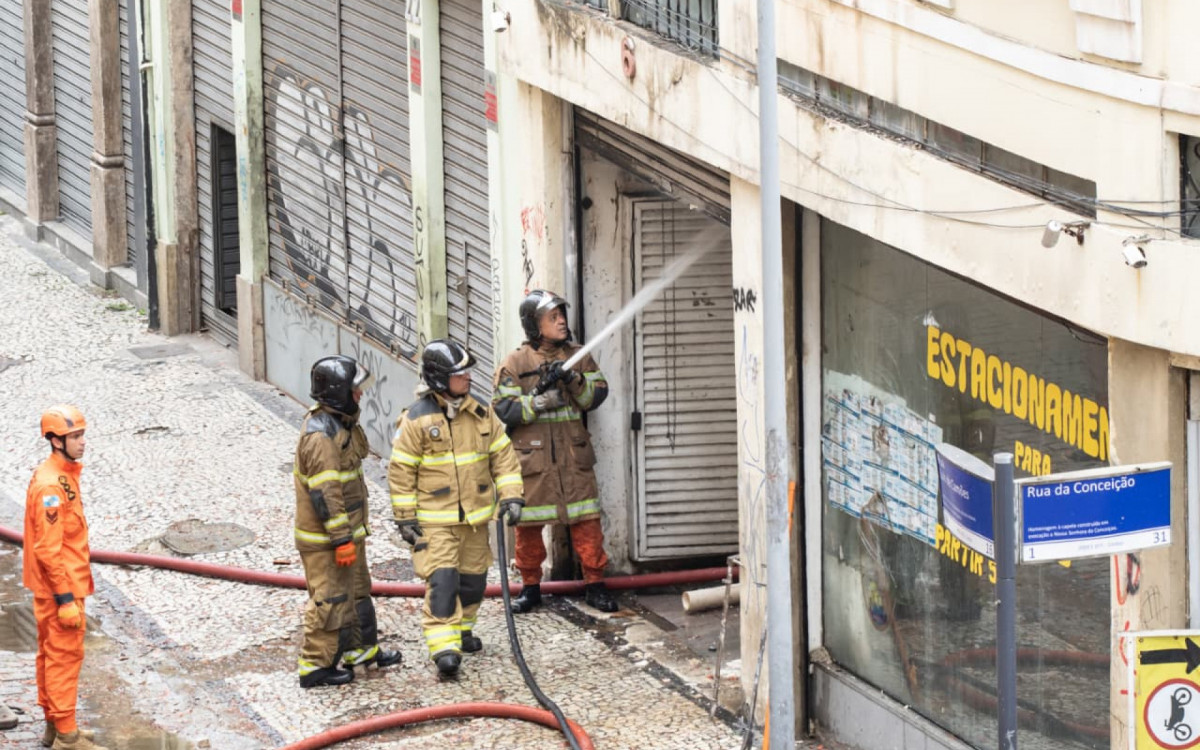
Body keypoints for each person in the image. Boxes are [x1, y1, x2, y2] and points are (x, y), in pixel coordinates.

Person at [388, 339, 525, 677]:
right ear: (439, 379)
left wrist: (511, 495)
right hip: (435, 524)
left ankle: (462, 631)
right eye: (459, 373)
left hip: (474, 521)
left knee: (473, 582)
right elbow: (401, 471)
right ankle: (444, 648)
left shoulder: (481, 413)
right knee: (444, 582)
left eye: (467, 372)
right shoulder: (416, 420)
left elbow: (503, 457)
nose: (467, 378)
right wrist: (405, 517)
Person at [493, 290, 618, 614]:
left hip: (573, 460)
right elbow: (504, 408)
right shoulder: (515, 363)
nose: (562, 321)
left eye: (562, 314)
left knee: (588, 524)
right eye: (553, 317)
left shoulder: (579, 356)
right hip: (533, 463)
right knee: (528, 530)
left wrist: (573, 378)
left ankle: (595, 585)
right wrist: (537, 402)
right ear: (534, 324)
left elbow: (594, 397)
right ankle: (530, 588)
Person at [293, 356, 401, 688]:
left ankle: (361, 651)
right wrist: (340, 540)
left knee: (356, 593)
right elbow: (325, 494)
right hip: (326, 541)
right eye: (355, 391)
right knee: (330, 600)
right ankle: (315, 666)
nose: (360, 395)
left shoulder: (342, 425)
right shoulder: (321, 436)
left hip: (348, 534)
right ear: (339, 393)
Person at [24, 405, 107, 749]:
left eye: (82, 434)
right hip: (61, 588)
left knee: (50, 655)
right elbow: (48, 548)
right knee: (64, 658)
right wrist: (65, 599)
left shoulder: (60, 474)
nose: (83, 442)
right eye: (75, 436)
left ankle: (55, 725)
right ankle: (68, 738)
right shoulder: (51, 486)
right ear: (56, 441)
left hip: (58, 586)